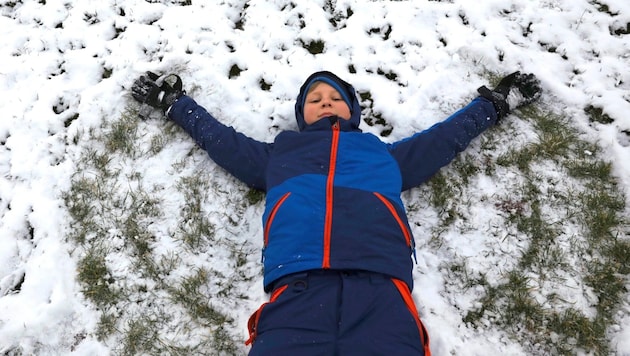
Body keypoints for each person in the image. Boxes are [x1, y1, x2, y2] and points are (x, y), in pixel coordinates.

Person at [131, 69, 541, 355]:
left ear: (352, 111)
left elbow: (442, 139)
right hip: (296, 290)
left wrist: (495, 105)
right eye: (315, 99)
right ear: (301, 114)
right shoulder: (279, 155)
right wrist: (175, 104)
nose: (325, 102)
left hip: (381, 290)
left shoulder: (381, 155)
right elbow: (222, 142)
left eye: (334, 99)